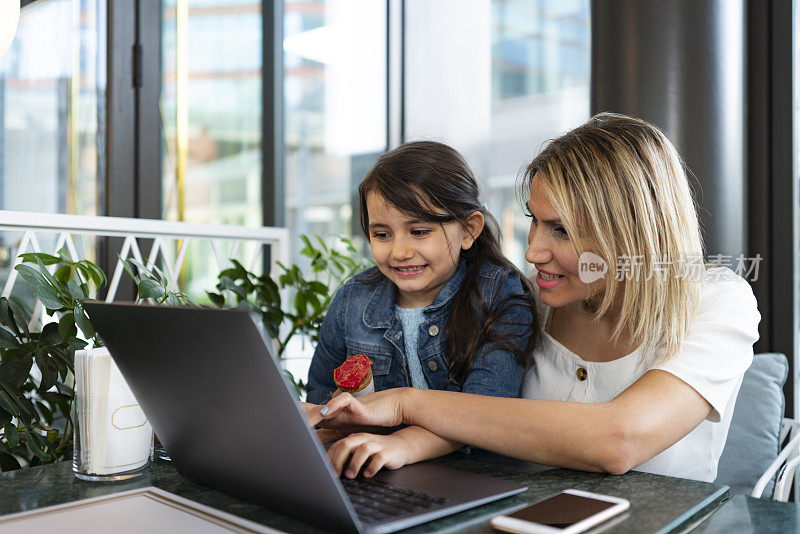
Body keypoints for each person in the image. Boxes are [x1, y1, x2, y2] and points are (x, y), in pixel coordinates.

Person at [310, 113, 761, 483]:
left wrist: (406, 403)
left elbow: (619, 440)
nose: (531, 252)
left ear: (631, 232)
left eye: (560, 229)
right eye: (534, 221)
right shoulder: (522, 302)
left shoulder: (716, 301)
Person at [305, 141, 537, 478]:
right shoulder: (353, 299)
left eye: (419, 231)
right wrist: (325, 415)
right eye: (382, 234)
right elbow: (321, 395)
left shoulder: (501, 295)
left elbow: (485, 411)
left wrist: (399, 444)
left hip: (479, 480)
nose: (399, 251)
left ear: (469, 230)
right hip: (377, 475)